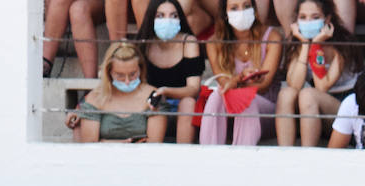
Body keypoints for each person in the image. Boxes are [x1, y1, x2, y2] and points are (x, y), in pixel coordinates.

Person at [275, 0, 362, 147]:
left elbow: (322, 87)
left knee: (308, 95)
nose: (308, 22)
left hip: (343, 105)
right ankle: (285, 154)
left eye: (315, 17)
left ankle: (308, 154)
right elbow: (294, 85)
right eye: (303, 17)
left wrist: (316, 47)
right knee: (286, 94)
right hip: (312, 109)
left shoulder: (342, 43)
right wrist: (304, 45)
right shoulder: (298, 43)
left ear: (327, 19)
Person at [200, 0, 282, 145]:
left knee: (245, 100)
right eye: (234, 8)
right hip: (231, 113)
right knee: (216, 96)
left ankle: (242, 157)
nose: (242, 11)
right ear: (225, 14)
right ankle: (209, 153)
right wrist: (240, 77)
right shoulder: (214, 43)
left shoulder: (272, 37)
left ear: (254, 9)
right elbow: (224, 84)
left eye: (246, 6)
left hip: (265, 111)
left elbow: (264, 84)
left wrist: (237, 82)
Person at [136, 0, 202, 143]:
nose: (167, 21)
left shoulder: (188, 42)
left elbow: (194, 88)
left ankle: (183, 153)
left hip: (183, 104)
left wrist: (166, 91)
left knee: (188, 102)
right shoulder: (144, 44)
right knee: (154, 105)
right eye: (160, 16)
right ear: (151, 18)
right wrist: (159, 95)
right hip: (153, 105)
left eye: (173, 16)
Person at [72, 41, 164, 141]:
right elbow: (90, 147)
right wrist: (120, 143)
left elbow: (154, 144)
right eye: (120, 75)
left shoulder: (153, 95)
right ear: (108, 72)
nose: (127, 81)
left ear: (140, 69)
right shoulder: (95, 98)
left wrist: (104, 142)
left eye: (133, 74)